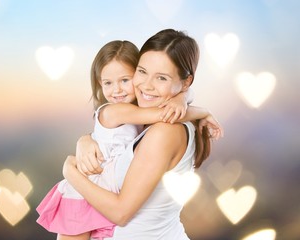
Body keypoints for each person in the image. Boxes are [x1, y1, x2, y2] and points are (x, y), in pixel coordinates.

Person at [37, 39, 221, 240]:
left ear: (185, 81)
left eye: (125, 80)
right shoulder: (117, 112)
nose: (117, 90)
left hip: (93, 187)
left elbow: (165, 114)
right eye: (143, 72)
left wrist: (70, 172)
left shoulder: (162, 130)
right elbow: (163, 113)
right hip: (88, 190)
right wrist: (197, 108)